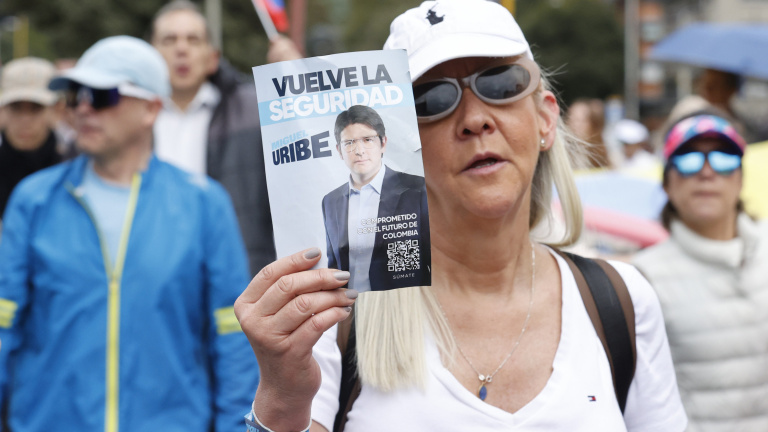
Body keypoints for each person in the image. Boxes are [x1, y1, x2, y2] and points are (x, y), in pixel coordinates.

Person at [234, 1, 687, 431]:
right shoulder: (336, 316)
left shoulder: (621, 302)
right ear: (401, 143)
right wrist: (280, 399)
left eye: (501, 84)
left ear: (546, 120)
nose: (475, 119)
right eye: (431, 100)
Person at [0, 36, 257, 431]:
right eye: (75, 95)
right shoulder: (34, 200)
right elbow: (4, 321)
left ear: (151, 108)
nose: (83, 107)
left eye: (102, 95)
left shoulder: (204, 204)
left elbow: (232, 332)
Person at [633, 113, 768, 430]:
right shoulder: (642, 279)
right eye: (689, 160)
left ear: (740, 178)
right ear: (667, 183)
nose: (707, 172)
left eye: (723, 158)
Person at [150, 0, 300, 275]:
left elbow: (306, 153)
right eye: (169, 40)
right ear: (150, 54)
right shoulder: (128, 118)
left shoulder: (256, 111)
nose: (181, 49)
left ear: (213, 57)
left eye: (193, 40)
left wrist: (295, 84)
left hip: (237, 274)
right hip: (154, 271)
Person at [322, 105, 430, 292]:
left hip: (405, 303)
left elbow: (435, 261)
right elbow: (334, 266)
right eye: (349, 143)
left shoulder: (417, 190)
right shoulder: (330, 201)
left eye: (367, 140)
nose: (359, 150)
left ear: (383, 143)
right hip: (349, 305)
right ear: (339, 150)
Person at [0, 57, 63, 219]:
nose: (25, 120)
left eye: (36, 108)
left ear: (55, 110)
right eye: (15, 107)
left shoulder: (74, 171)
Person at [566, 98, 611, 169]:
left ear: (593, 124)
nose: (574, 125)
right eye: (571, 119)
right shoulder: (564, 153)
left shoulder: (606, 153)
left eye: (579, 120)